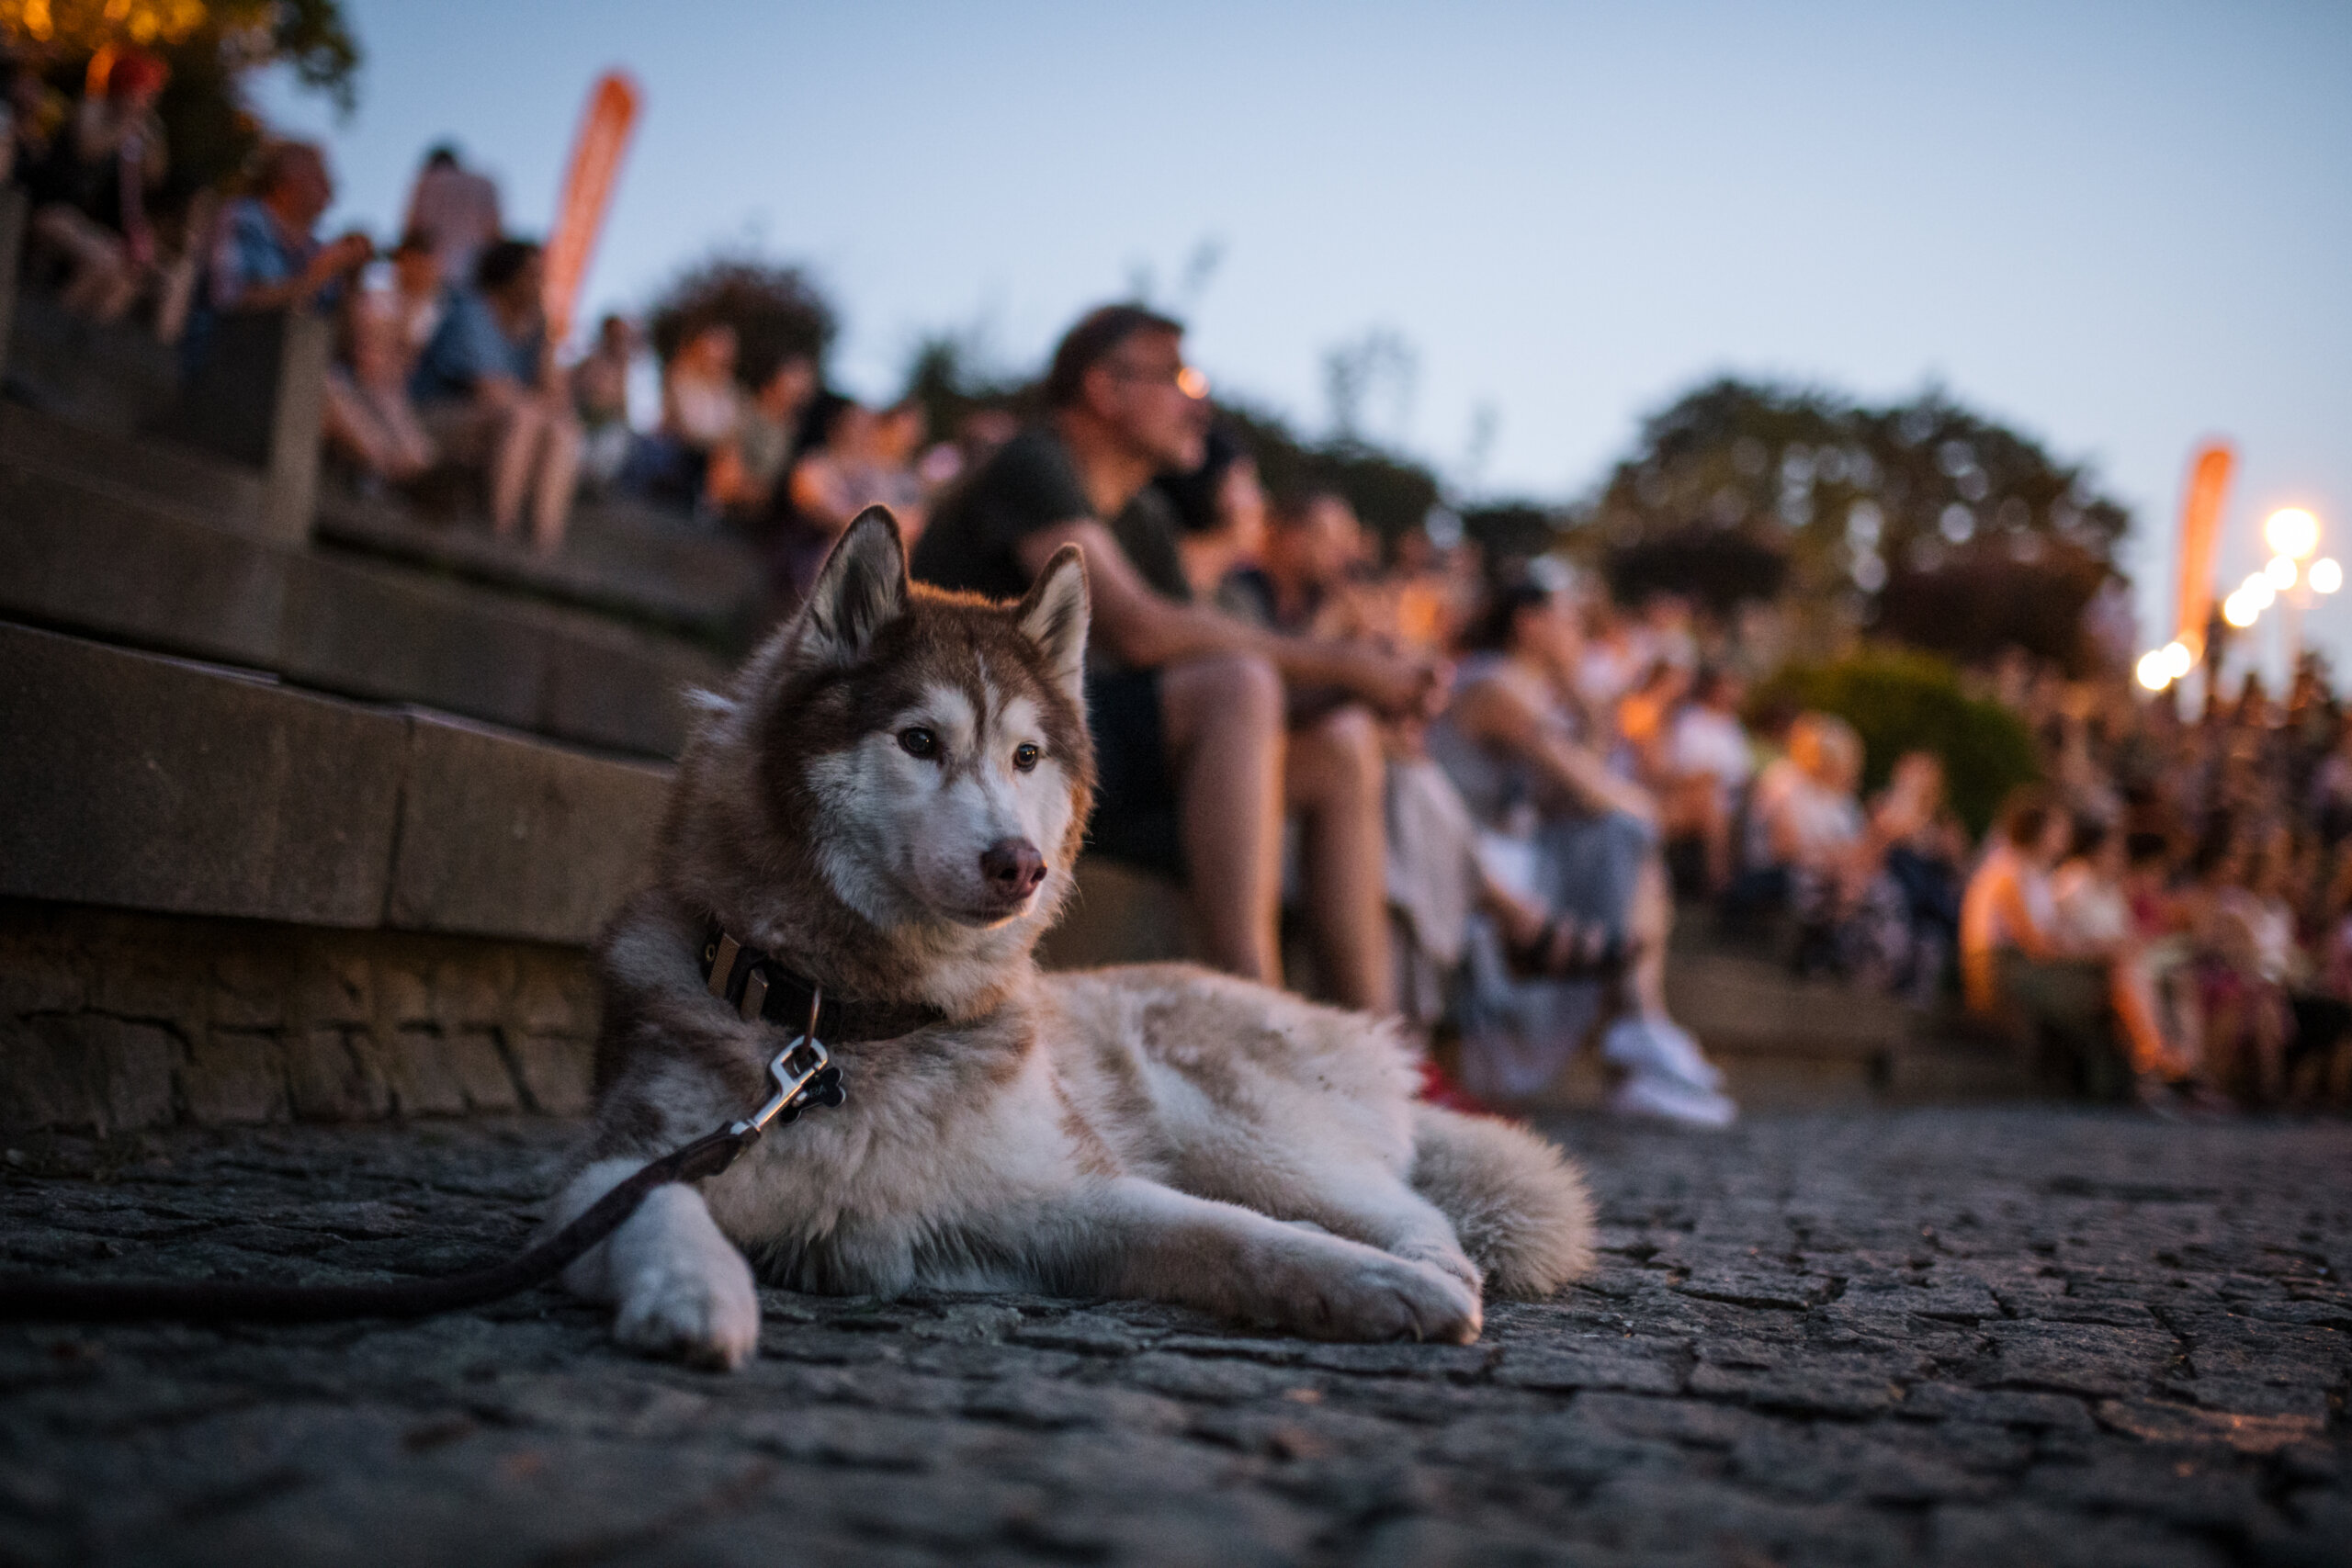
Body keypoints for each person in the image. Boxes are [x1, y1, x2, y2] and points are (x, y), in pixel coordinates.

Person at [911, 303, 1444, 1014]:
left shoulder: (1145, 517)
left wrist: (1362, 691)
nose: (1201, 405)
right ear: (1105, 387)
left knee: (1343, 743)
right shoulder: (1032, 463)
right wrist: (1343, 662)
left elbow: (1199, 671)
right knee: (1239, 683)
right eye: (1181, 379)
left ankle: (1377, 1041)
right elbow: (1139, 629)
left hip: (1096, 761)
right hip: (993, 750)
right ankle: (1253, 1011)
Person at [1427, 581, 1736, 1126]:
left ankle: (1642, 1030)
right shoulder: (1494, 685)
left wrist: (1578, 696)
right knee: (1625, 832)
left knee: (1622, 837)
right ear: (1528, 622)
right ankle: (1638, 1028)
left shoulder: (1528, 689)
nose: (1578, 634)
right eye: (1567, 620)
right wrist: (1645, 811)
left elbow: (1576, 786)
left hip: (1510, 853)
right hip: (1468, 858)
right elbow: (1587, 786)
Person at [410, 238, 582, 554]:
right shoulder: (472, 310)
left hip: (495, 424)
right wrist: (542, 405)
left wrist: (548, 342)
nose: (540, 284)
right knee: (526, 418)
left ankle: (545, 545)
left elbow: (559, 403)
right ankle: (500, 533)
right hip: (430, 420)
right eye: (532, 274)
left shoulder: (535, 328)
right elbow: (491, 392)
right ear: (507, 274)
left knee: (564, 431)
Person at [26, 48, 169, 324]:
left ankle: (85, 337)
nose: (148, 100)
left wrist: (154, 138)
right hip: (48, 208)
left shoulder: (137, 127)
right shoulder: (92, 107)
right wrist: (126, 125)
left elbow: (154, 178)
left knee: (128, 275)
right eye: (145, 91)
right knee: (104, 261)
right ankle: (49, 327)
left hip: (81, 219)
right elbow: (87, 150)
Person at [401, 144, 502, 286]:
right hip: (478, 270)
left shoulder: (427, 183)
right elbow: (494, 230)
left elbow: (415, 230)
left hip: (437, 272)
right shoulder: (484, 182)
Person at [571, 313, 638, 491]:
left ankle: (596, 485)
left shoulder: (623, 368)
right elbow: (581, 391)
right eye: (616, 335)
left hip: (606, 424)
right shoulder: (591, 361)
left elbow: (622, 406)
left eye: (622, 336)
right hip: (584, 420)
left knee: (616, 441)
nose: (619, 340)